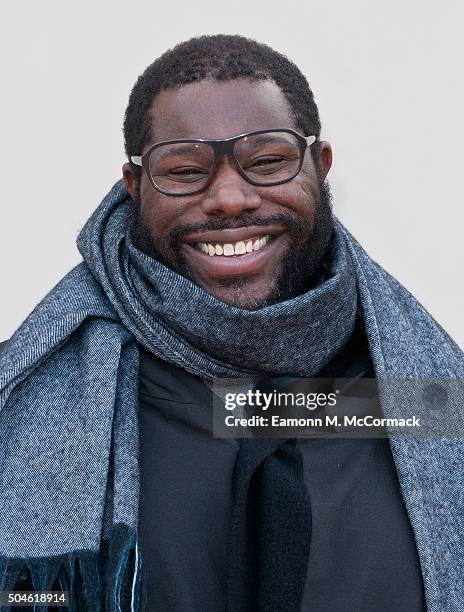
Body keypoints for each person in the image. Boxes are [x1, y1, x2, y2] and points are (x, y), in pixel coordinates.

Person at [0, 34, 463, 612]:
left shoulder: (433, 399)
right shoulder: (26, 398)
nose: (228, 198)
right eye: (185, 169)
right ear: (134, 186)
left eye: (267, 161)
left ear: (319, 167)